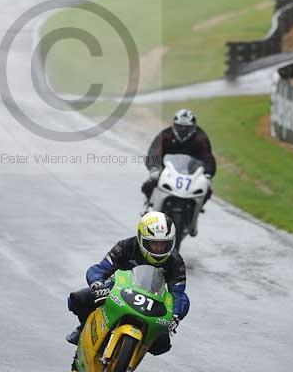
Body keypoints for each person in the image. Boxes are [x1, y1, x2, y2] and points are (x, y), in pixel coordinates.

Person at [66, 211, 190, 354]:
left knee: (162, 345)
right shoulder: (125, 246)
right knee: (78, 298)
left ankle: (136, 350)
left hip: (153, 302)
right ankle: (83, 328)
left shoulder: (176, 261)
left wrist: (176, 315)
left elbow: (179, 293)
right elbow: (100, 269)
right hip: (118, 291)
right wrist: (97, 283)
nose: (159, 248)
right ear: (141, 239)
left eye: (164, 244)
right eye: (154, 243)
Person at [141, 108, 216, 236]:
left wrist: (208, 174)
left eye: (186, 128)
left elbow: (208, 157)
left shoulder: (200, 138)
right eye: (179, 127)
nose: (182, 130)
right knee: (150, 182)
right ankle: (149, 205)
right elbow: (154, 152)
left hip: (191, 173)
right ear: (174, 125)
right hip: (167, 169)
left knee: (207, 189)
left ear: (193, 127)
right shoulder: (166, 135)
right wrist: (154, 168)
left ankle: (195, 213)